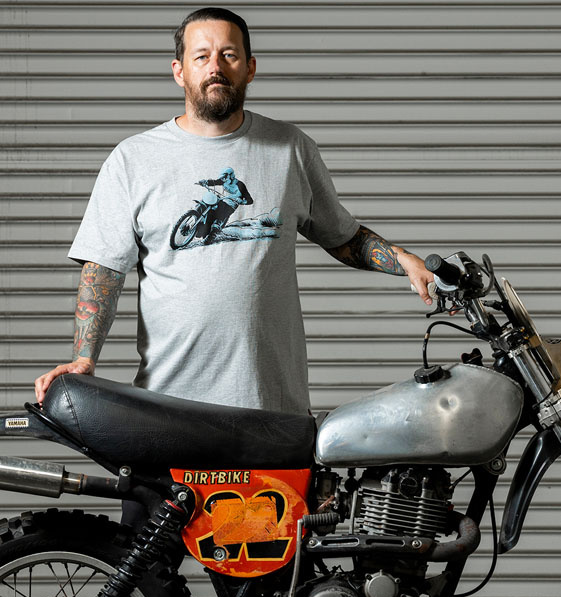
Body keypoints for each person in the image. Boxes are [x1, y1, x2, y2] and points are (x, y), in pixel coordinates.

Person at [34, 7, 435, 416]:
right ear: (179, 71)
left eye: (229, 55)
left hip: (272, 407)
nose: (216, 67)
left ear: (250, 68)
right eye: (201, 56)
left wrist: (403, 260)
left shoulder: (291, 148)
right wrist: (84, 358)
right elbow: (103, 270)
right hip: (170, 408)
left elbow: (343, 237)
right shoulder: (132, 159)